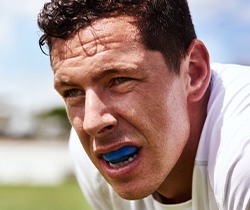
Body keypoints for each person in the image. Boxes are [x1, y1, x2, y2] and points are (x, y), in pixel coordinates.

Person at [37, 0, 250, 209]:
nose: (92, 123)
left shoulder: (243, 150)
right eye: (73, 92)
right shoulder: (91, 159)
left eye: (120, 80)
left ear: (193, 72)